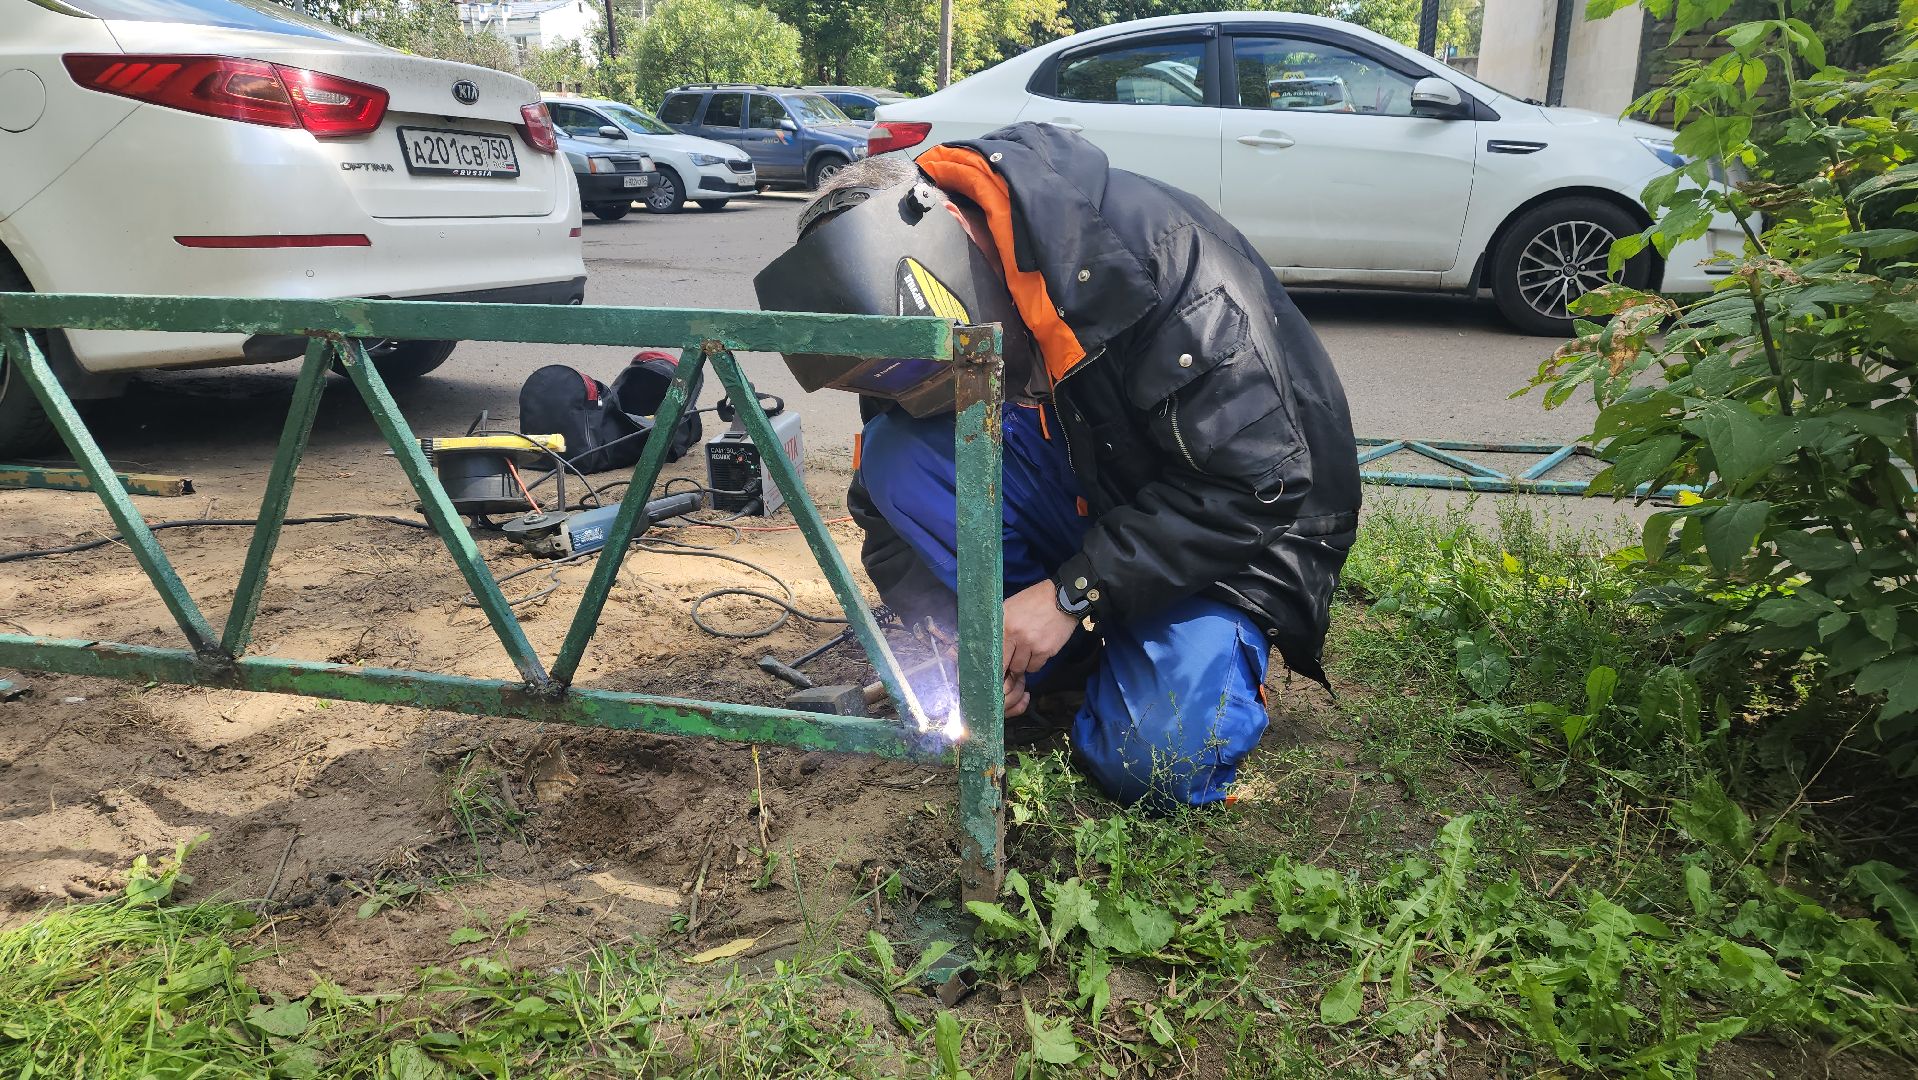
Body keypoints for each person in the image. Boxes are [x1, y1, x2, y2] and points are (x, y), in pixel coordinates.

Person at [754, 123, 1360, 808]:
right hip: (1098, 485)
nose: (924, 392)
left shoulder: (1159, 264)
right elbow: (884, 513)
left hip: (1235, 537)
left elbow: (1256, 486)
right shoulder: (905, 306)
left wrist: (1074, 593)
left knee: (1152, 762)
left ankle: (1192, 657)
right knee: (901, 456)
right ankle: (1047, 658)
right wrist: (963, 636)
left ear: (950, 235)